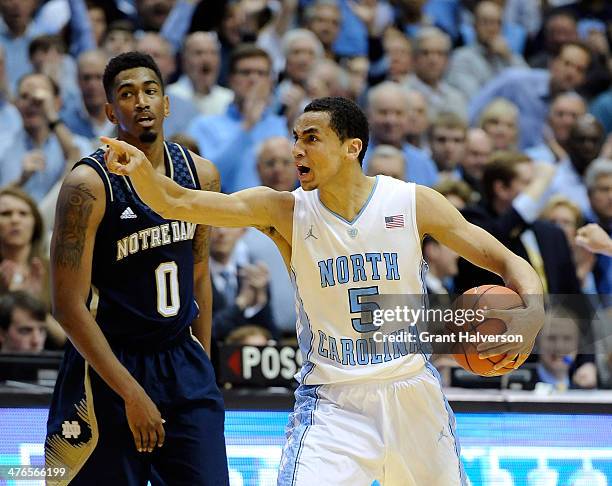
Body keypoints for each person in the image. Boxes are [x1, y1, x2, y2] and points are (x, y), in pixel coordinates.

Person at [105, 96, 545, 485]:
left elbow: (506, 260)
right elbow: (180, 202)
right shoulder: (284, 210)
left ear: (351, 148)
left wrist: (532, 314)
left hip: (412, 391)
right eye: (296, 137)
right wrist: (143, 174)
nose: (297, 148)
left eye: (311, 138)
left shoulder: (411, 201)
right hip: (334, 401)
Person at [44, 52, 229, 485]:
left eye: (150, 91)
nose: (141, 101)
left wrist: (200, 362)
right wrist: (131, 393)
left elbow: (199, 276)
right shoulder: (87, 185)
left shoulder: (201, 175)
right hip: (108, 364)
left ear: (166, 104)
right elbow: (67, 307)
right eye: (127, 94)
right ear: (111, 111)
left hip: (181, 363)